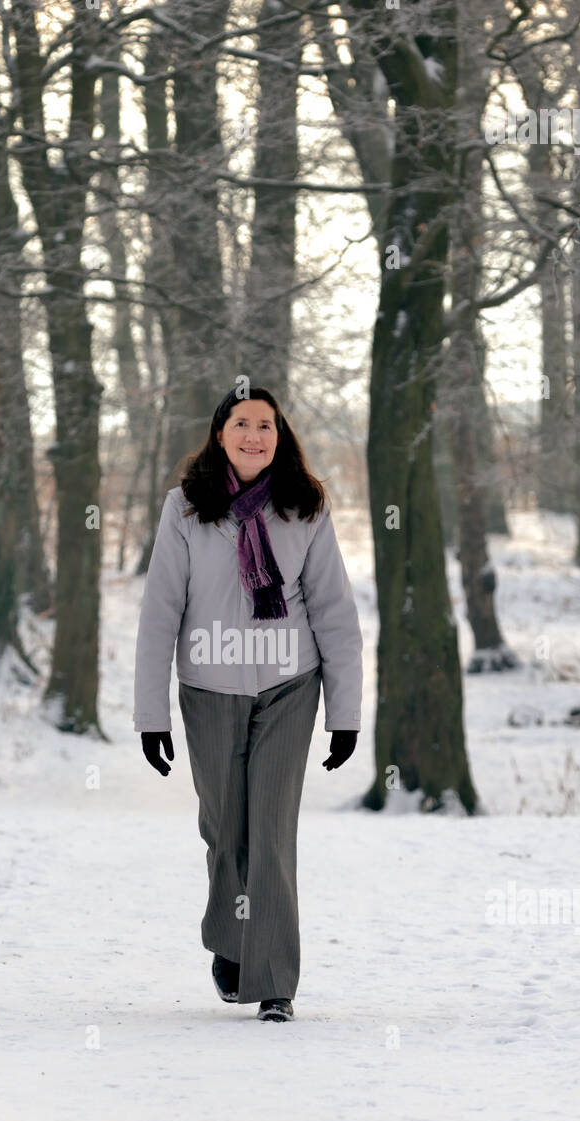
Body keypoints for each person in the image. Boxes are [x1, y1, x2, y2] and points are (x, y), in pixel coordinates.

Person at [133, 386, 363, 1021]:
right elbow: (160, 615)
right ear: (220, 433)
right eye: (242, 424)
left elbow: (335, 614)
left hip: (291, 687)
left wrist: (343, 714)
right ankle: (230, 939)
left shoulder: (305, 508)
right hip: (208, 688)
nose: (254, 435)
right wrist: (151, 717)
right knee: (225, 830)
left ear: (280, 435)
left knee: (271, 834)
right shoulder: (185, 509)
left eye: (266, 425)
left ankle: (275, 982)